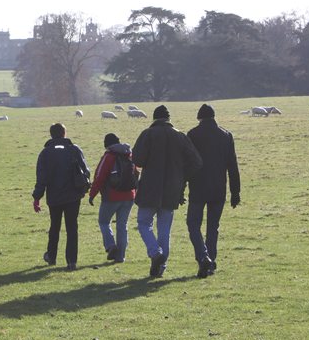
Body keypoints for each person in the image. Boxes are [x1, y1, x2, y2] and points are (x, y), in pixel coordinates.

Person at [132, 105, 202, 278]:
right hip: (172, 188)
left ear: (154, 119)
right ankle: (160, 267)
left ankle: (155, 254)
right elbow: (196, 162)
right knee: (164, 228)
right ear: (169, 119)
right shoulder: (180, 136)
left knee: (143, 223)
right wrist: (181, 176)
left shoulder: (147, 134)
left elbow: (138, 160)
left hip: (150, 187)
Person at [184, 104, 241, 278]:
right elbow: (233, 166)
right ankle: (211, 261)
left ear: (199, 118)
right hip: (218, 188)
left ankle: (203, 257)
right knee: (213, 227)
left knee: (193, 224)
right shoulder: (226, 135)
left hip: (198, 187)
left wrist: (180, 189)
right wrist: (235, 192)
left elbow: (187, 165)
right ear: (214, 117)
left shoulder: (192, 135)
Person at [32, 123, 89, 271]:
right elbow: (85, 171)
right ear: (64, 133)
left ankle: (51, 256)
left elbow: (41, 178)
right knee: (72, 228)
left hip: (54, 196)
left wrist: (37, 197)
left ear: (51, 134)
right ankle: (71, 261)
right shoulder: (74, 150)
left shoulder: (45, 153)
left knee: (54, 226)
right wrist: (83, 190)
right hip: (73, 196)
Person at [88, 133, 135, 263]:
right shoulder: (129, 154)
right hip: (129, 196)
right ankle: (121, 257)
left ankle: (110, 246)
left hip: (112, 196)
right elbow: (136, 174)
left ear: (107, 145)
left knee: (104, 222)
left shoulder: (109, 156)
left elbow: (99, 177)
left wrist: (92, 194)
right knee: (122, 225)